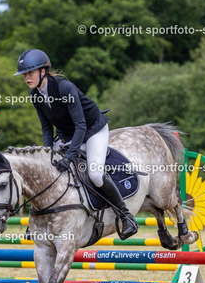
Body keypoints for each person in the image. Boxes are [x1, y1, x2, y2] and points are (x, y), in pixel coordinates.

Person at [13, 48, 138, 239]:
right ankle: (37, 221)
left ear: (43, 71)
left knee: (95, 174)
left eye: (30, 73)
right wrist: (47, 154)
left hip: (92, 129)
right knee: (44, 171)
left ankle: (125, 215)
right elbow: (46, 128)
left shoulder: (64, 88)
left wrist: (69, 157)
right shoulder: (35, 95)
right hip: (68, 134)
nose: (26, 78)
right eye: (24, 74)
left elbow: (81, 125)